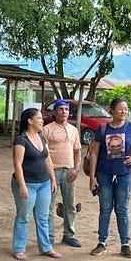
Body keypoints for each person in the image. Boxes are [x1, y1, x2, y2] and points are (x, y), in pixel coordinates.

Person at [88, 98, 131, 258]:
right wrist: (92, 177)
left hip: (124, 173)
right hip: (104, 173)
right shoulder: (102, 129)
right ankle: (102, 242)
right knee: (105, 208)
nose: (124, 112)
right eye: (120, 109)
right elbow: (94, 152)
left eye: (126, 109)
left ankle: (125, 244)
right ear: (112, 110)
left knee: (122, 209)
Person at [11, 107, 61, 261]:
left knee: (43, 216)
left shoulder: (41, 137)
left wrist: (53, 179)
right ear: (30, 121)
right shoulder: (21, 140)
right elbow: (17, 164)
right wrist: (22, 185)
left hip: (44, 183)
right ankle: (19, 248)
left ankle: (46, 248)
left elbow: (47, 159)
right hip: (28, 183)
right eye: (38, 118)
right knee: (24, 215)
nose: (42, 120)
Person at [43, 99, 82, 248]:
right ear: (54, 112)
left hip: (69, 172)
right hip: (51, 172)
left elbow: (77, 151)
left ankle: (69, 235)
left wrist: (76, 169)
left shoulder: (73, 130)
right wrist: (50, 172)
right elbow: (44, 153)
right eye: (60, 109)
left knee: (70, 205)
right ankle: (49, 236)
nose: (63, 112)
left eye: (66, 109)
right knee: (49, 205)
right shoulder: (47, 130)